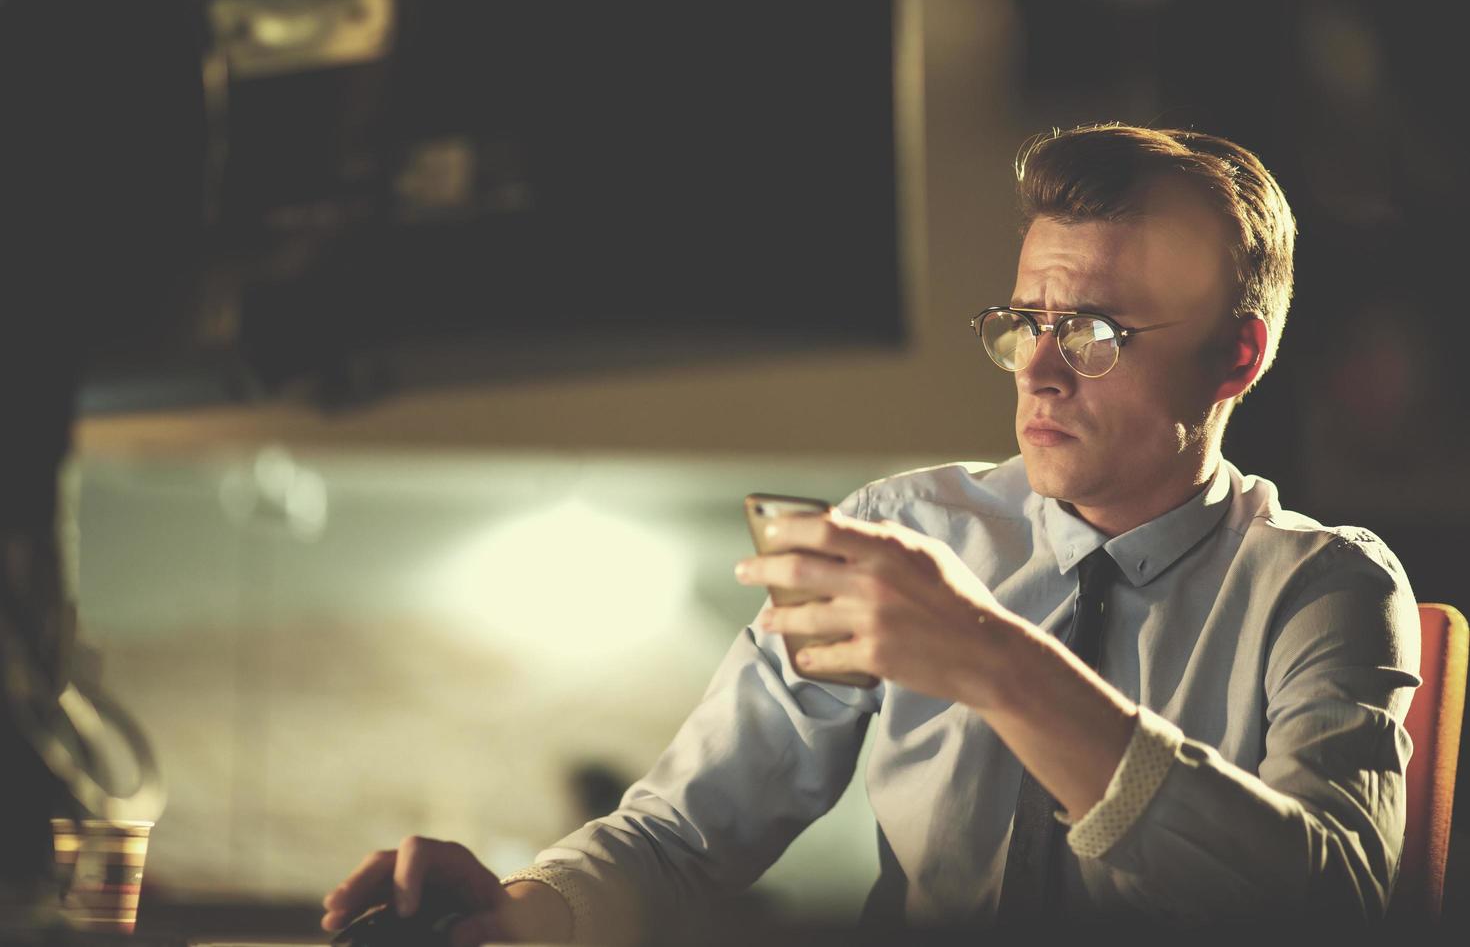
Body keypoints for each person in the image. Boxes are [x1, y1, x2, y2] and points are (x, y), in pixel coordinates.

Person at [319, 125, 1420, 944]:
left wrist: (991, 657)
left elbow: (1334, 906)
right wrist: (519, 915)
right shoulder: (907, 528)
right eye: (1026, 321)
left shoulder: (1322, 586)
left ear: (1238, 357)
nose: (1036, 366)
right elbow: (679, 836)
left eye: (1092, 329)